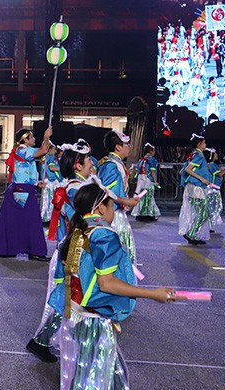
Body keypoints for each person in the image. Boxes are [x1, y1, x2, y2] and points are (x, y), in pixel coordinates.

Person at [40, 184, 175, 390]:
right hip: (93, 321)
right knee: (85, 387)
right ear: (100, 207)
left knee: (112, 377)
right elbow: (107, 283)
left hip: (77, 317)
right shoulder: (103, 234)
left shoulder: (79, 232)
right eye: (112, 204)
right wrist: (153, 294)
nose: (115, 210)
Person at [27, 145, 96, 363]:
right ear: (78, 165)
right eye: (88, 160)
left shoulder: (77, 186)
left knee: (71, 296)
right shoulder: (76, 190)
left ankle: (45, 340)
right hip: (74, 250)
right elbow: (89, 219)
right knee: (68, 296)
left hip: (75, 247)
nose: (92, 163)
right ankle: (46, 341)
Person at [0, 127, 53, 261]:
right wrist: (46, 136)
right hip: (24, 193)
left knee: (15, 222)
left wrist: (36, 183)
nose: (34, 139)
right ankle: (35, 250)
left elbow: (24, 173)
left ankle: (10, 248)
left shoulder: (21, 151)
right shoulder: (24, 150)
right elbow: (44, 150)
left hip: (21, 190)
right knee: (32, 223)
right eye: (32, 137)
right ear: (25, 139)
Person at [96, 130, 140, 261]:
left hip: (116, 213)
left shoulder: (114, 163)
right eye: (127, 144)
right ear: (118, 147)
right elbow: (107, 192)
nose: (130, 147)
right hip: (113, 216)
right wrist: (126, 201)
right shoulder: (111, 165)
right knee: (118, 254)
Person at [179, 134, 212, 245]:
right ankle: (191, 233)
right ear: (199, 144)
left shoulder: (193, 155)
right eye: (204, 142)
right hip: (196, 188)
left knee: (198, 212)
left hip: (191, 187)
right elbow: (188, 169)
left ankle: (192, 233)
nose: (205, 144)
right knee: (204, 212)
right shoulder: (198, 156)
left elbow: (182, 171)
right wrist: (202, 178)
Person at [205, 148, 225, 232]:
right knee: (214, 208)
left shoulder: (208, 165)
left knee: (211, 208)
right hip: (213, 189)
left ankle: (209, 225)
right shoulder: (212, 165)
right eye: (215, 154)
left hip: (211, 188)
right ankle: (210, 226)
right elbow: (220, 174)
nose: (217, 155)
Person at [131, 143, 161, 222]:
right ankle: (147, 214)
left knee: (141, 196)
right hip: (148, 180)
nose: (154, 152)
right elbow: (153, 171)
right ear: (151, 151)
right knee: (148, 196)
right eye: (153, 151)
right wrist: (155, 181)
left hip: (141, 179)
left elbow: (137, 170)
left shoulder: (141, 160)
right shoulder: (151, 160)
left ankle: (141, 214)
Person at [40, 143, 62, 223]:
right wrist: (61, 169)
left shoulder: (45, 157)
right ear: (49, 150)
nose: (55, 151)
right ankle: (50, 218)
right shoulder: (51, 157)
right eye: (54, 149)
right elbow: (51, 168)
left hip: (47, 181)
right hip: (51, 182)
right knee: (51, 200)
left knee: (46, 200)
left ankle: (45, 217)